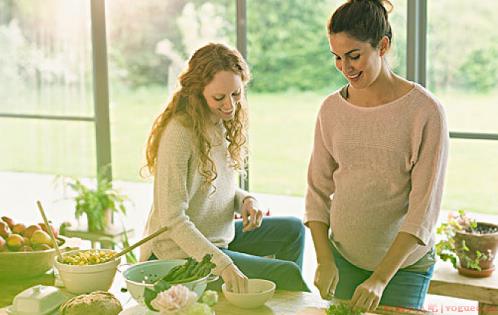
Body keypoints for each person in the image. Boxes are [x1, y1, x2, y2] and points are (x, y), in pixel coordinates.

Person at [304, 0, 449, 311]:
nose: (345, 68)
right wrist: (324, 259)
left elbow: (423, 211)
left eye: (354, 56)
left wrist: (380, 279)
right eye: (337, 58)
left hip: (403, 269)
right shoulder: (331, 110)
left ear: (382, 46)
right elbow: (317, 191)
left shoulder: (424, 112)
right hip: (343, 259)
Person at [140, 43, 309, 293]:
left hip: (217, 238)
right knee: (285, 273)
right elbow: (172, 219)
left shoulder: (219, 121)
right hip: (176, 253)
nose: (230, 105)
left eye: (236, 94)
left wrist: (246, 201)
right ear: (197, 92)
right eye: (219, 97)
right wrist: (224, 265)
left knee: (293, 230)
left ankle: (264, 302)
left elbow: (215, 188)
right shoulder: (179, 133)